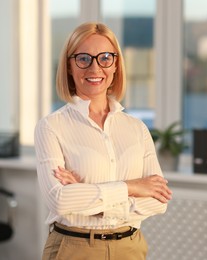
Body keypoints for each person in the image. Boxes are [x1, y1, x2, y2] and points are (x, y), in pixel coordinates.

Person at [34, 22, 172, 260]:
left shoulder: (136, 128)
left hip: (130, 248)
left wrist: (87, 195)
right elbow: (59, 199)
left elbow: (158, 201)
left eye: (105, 58)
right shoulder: (51, 127)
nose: (95, 67)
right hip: (75, 248)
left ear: (116, 64)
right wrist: (132, 187)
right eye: (83, 58)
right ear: (69, 65)